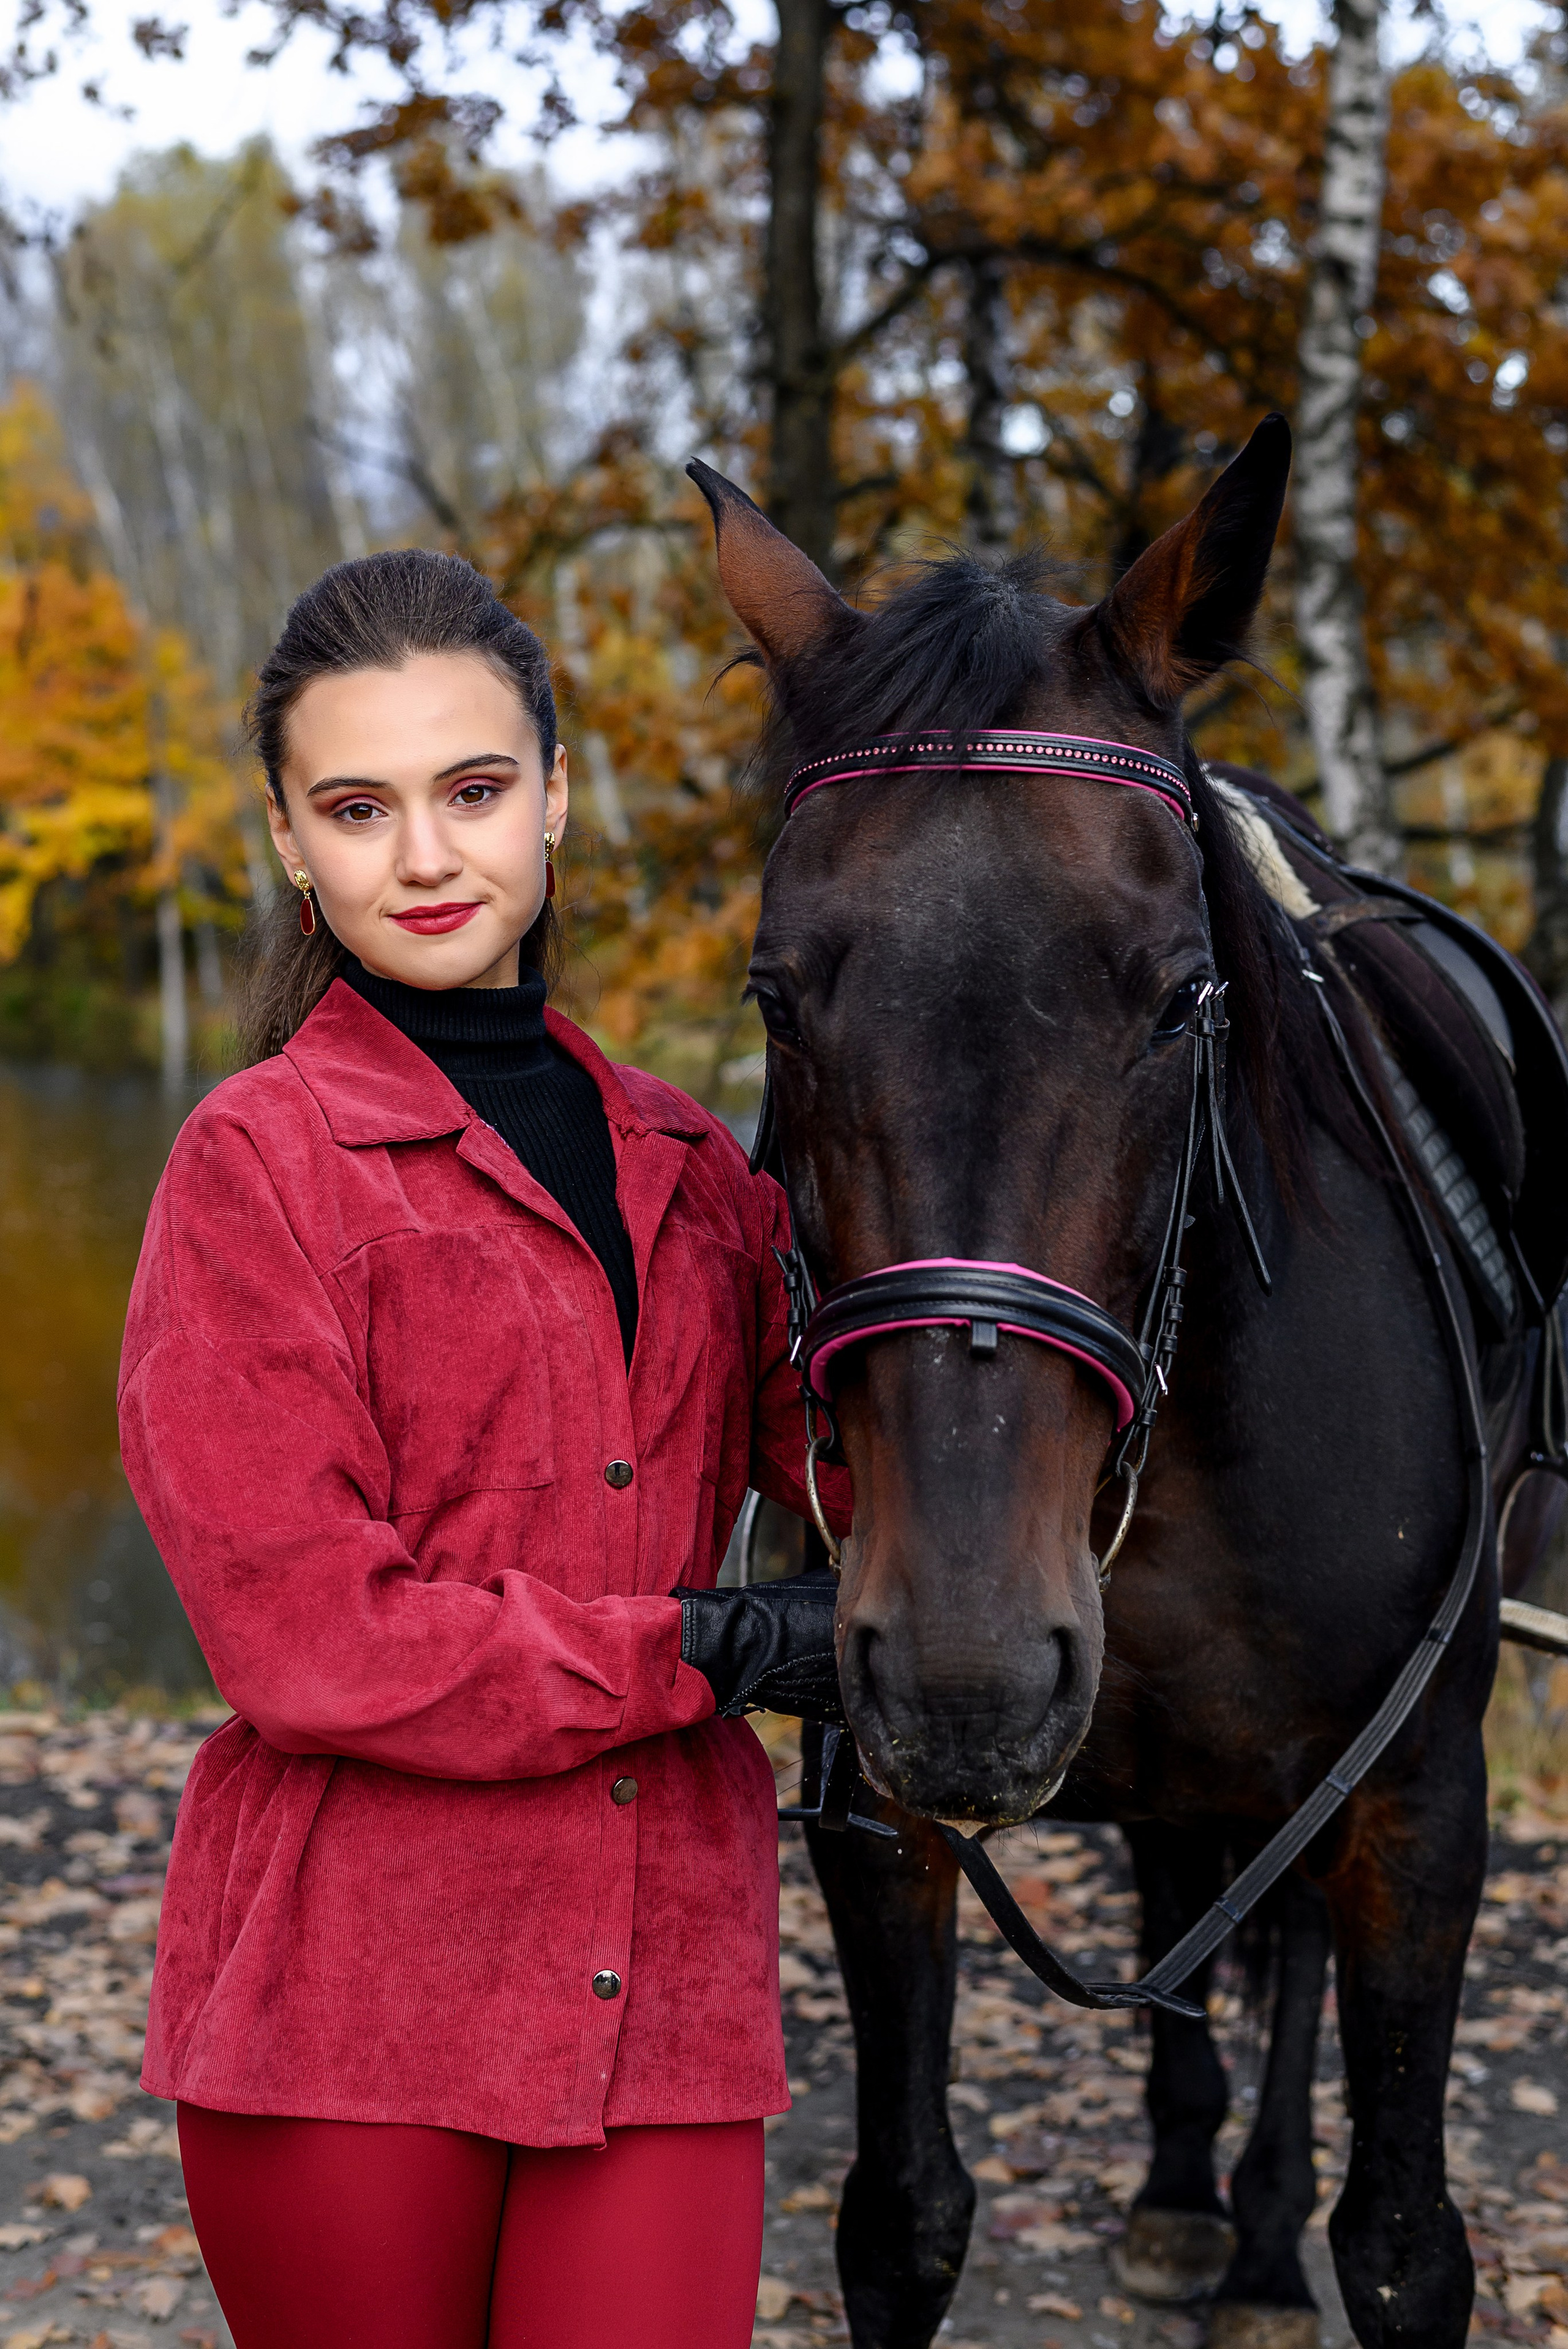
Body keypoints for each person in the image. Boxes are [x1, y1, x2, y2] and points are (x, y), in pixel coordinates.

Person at [118, 550, 851, 2349]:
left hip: (662, 1975)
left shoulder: (698, 1173)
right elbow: (312, 1639)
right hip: (356, 1999)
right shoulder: (256, 1165)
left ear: (556, 793)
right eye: (359, 808)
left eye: (474, 789)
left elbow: (852, 1472)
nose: (428, 857)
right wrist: (714, 1645)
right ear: (291, 842)